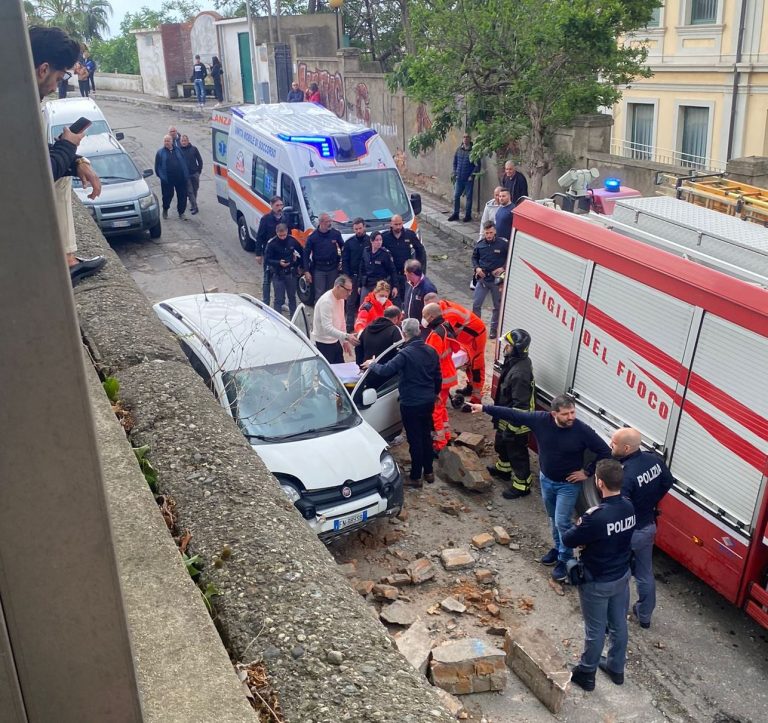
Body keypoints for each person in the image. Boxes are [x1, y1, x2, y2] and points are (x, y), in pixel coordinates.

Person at [470, 394, 611, 582]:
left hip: (568, 485)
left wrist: (587, 472)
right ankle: (558, 548)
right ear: (554, 414)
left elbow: (605, 451)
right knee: (553, 518)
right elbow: (514, 414)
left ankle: (566, 559)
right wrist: (484, 408)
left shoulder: (582, 431)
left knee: (562, 522)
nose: (571, 417)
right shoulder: (540, 420)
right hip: (546, 480)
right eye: (566, 414)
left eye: (573, 412)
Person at [30, 25, 106, 284]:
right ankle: (67, 261)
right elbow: (39, 175)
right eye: (60, 76)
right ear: (43, 69)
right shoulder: (19, 107)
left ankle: (67, 257)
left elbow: (34, 156)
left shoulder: (20, 97)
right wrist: (69, 145)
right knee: (59, 177)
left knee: (63, 169)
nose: (56, 86)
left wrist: (76, 161)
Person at [562, 459, 636, 692]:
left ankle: (587, 673)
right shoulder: (628, 507)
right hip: (621, 576)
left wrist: (579, 525)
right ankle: (616, 668)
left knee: (595, 630)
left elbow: (568, 539)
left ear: (599, 482)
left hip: (597, 580)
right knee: (618, 625)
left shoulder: (595, 516)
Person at [363, 318, 441, 487]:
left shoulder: (405, 354)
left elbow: (386, 370)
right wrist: (435, 394)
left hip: (411, 403)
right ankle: (429, 472)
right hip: (428, 401)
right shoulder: (431, 351)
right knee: (426, 435)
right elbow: (437, 376)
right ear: (418, 331)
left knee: (415, 439)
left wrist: (372, 364)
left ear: (404, 334)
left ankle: (416, 476)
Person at [611, 427, 675, 629]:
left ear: (626, 448)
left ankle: (618, 617)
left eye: (614, 443)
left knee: (621, 576)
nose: (611, 445)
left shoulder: (625, 475)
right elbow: (668, 481)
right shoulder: (654, 460)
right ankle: (645, 616)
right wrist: (650, 502)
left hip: (630, 532)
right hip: (648, 526)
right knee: (645, 573)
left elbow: (620, 509)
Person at [486, 329, 535, 499]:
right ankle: (503, 469)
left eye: (508, 345)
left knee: (517, 452)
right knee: (502, 444)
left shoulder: (520, 373)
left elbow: (521, 405)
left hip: (516, 421)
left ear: (517, 348)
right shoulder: (514, 361)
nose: (505, 347)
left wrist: (512, 428)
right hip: (507, 415)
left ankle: (523, 485)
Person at [424, 293, 487, 405]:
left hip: (475, 337)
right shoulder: (440, 310)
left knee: (476, 366)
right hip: (464, 337)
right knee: (468, 365)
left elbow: (445, 337)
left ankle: (476, 399)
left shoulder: (449, 315)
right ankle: (470, 387)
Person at [422, 303, 458, 454]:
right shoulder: (445, 326)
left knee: (436, 410)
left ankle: (439, 444)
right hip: (448, 374)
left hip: (440, 378)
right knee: (441, 408)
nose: (423, 319)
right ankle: (446, 436)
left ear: (431, 316)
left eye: (424, 316)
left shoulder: (436, 334)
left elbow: (431, 359)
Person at [472, 221, 509, 338]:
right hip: (483, 280)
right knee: (476, 304)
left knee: (497, 306)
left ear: (495, 232)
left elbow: (510, 257)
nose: (488, 235)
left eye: (491, 233)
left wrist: (503, 268)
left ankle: (493, 329)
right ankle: (477, 328)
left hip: (496, 281)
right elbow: (474, 258)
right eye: (487, 233)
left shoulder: (503, 244)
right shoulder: (480, 245)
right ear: (484, 232)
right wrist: (477, 268)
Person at [310, 276, 360, 363]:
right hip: (323, 343)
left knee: (340, 367)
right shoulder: (326, 302)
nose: (349, 293)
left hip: (335, 340)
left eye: (351, 290)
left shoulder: (341, 299)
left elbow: (342, 321)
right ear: (338, 287)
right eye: (347, 290)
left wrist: (344, 341)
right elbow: (327, 328)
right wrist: (346, 336)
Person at [256, 196, 291, 306]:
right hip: (270, 254)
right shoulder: (266, 219)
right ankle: (265, 303)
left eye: (281, 205)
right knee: (267, 279)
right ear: (271, 205)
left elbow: (289, 235)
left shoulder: (285, 218)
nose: (280, 208)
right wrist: (258, 254)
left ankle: (281, 302)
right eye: (277, 205)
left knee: (282, 278)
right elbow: (259, 237)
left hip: (282, 253)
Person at [382, 215, 426, 300]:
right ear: (391, 224)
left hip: (406, 274)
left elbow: (420, 249)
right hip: (392, 275)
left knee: (407, 297)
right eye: (396, 224)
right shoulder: (385, 237)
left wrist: (418, 266)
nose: (398, 227)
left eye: (400, 224)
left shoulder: (409, 234)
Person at [264, 223, 302, 317]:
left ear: (287, 232)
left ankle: (293, 320)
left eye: (284, 235)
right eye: (280, 235)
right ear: (276, 232)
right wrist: (278, 263)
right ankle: (277, 320)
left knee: (292, 298)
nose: (282, 237)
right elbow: (267, 260)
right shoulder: (272, 243)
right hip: (278, 274)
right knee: (278, 299)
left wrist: (298, 264)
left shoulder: (292, 241)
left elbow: (302, 253)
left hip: (290, 273)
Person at [303, 213, 344, 300]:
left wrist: (342, 261)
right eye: (327, 222)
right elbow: (305, 255)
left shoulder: (335, 234)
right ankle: (319, 308)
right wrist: (306, 271)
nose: (329, 223)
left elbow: (343, 248)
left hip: (333, 268)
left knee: (332, 293)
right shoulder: (312, 237)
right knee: (319, 294)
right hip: (319, 269)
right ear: (320, 222)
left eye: (330, 221)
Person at [342, 217, 369, 331]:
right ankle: (349, 326)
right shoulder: (349, 243)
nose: (358, 231)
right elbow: (345, 261)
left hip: (366, 277)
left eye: (360, 228)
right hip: (353, 276)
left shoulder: (370, 241)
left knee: (365, 303)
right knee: (350, 302)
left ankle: (363, 325)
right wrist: (347, 276)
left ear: (364, 227)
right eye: (356, 229)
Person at [154, 134, 189, 219]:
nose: (166, 142)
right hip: (167, 179)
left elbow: (183, 162)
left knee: (182, 196)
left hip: (180, 178)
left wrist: (185, 174)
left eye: (168, 141)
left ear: (172, 141)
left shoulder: (178, 150)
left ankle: (181, 213)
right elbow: (157, 167)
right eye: (165, 141)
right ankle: (165, 209)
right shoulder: (160, 152)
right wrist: (162, 177)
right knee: (167, 196)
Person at [447, 133, 477, 222]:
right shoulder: (459, 150)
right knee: (456, 196)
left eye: (467, 137)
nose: (465, 138)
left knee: (469, 198)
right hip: (459, 178)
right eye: (464, 137)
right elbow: (455, 162)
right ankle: (456, 214)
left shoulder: (473, 151)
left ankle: (468, 216)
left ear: (470, 139)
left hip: (468, 179)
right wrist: (455, 172)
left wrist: (472, 175)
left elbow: (477, 166)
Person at [359, 230, 396, 300]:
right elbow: (362, 268)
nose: (379, 242)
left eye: (380, 240)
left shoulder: (385, 254)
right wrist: (360, 285)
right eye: (377, 240)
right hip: (367, 283)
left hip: (379, 285)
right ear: (371, 241)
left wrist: (395, 286)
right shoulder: (366, 251)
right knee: (364, 303)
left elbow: (392, 270)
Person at [179, 134, 203, 216]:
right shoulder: (179, 151)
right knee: (190, 192)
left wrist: (199, 171)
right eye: (182, 141)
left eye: (185, 141)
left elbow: (200, 160)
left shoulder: (194, 149)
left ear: (188, 141)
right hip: (186, 175)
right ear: (180, 142)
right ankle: (195, 207)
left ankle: (193, 204)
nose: (184, 142)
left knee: (195, 190)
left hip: (195, 174)